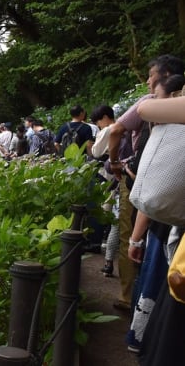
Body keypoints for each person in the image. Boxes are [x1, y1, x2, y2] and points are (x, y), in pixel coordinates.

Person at [108, 54, 184, 311]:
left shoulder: (153, 104)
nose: (149, 82)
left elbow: (121, 126)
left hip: (148, 189)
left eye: (152, 76)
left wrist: (114, 161)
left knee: (138, 242)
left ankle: (130, 300)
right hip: (166, 197)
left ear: (166, 77)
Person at [90, 104, 119, 277]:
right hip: (120, 175)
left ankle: (107, 258)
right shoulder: (123, 126)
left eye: (98, 121)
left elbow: (96, 151)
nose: (98, 124)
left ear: (105, 117)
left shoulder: (108, 130)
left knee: (108, 213)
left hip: (108, 176)